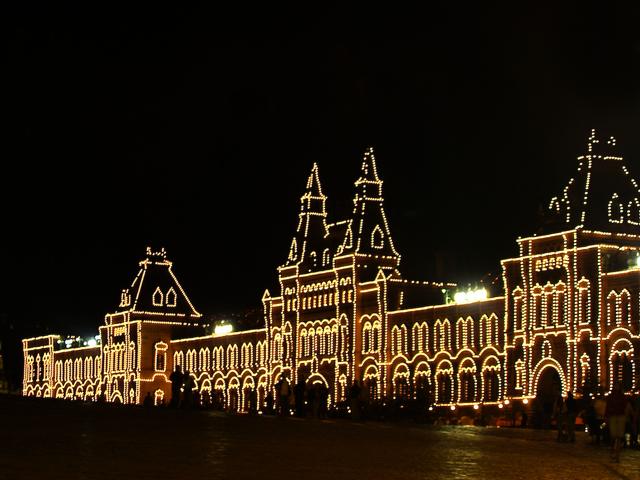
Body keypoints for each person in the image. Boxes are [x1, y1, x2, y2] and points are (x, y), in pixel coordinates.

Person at [606, 382, 632, 463]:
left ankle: (617, 455)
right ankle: (613, 451)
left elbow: (626, 406)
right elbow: (608, 406)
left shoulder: (622, 396)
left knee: (619, 436)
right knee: (613, 435)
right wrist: (607, 416)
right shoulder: (611, 396)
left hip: (620, 416)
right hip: (613, 416)